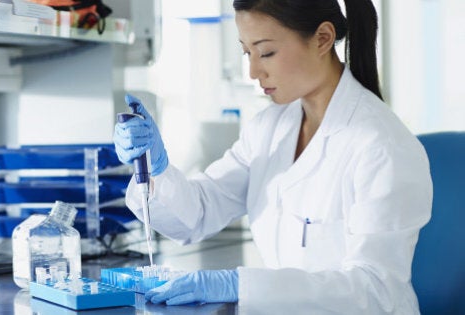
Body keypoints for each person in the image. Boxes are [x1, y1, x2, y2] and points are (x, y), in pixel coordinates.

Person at [112, 0, 432, 313]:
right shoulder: (268, 128)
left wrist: (237, 285)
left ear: (322, 38)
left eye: (266, 52)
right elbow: (200, 212)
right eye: (246, 52)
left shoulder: (381, 145)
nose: (253, 71)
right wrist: (158, 168)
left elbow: (375, 291)